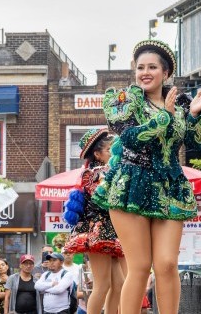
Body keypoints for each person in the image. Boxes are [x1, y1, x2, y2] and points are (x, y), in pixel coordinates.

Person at [91, 39, 201, 314]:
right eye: (140, 67)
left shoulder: (179, 104)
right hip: (132, 183)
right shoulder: (124, 100)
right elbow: (130, 137)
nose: (145, 72)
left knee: (167, 263)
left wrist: (193, 114)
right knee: (141, 266)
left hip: (169, 187)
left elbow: (199, 143)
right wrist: (163, 118)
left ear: (165, 73)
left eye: (152, 67)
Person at [63, 127, 125, 314]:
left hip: (112, 231)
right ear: (97, 154)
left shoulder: (110, 171)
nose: (116, 153)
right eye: (110, 150)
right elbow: (107, 199)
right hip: (98, 231)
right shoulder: (97, 173)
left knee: (120, 284)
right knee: (102, 285)